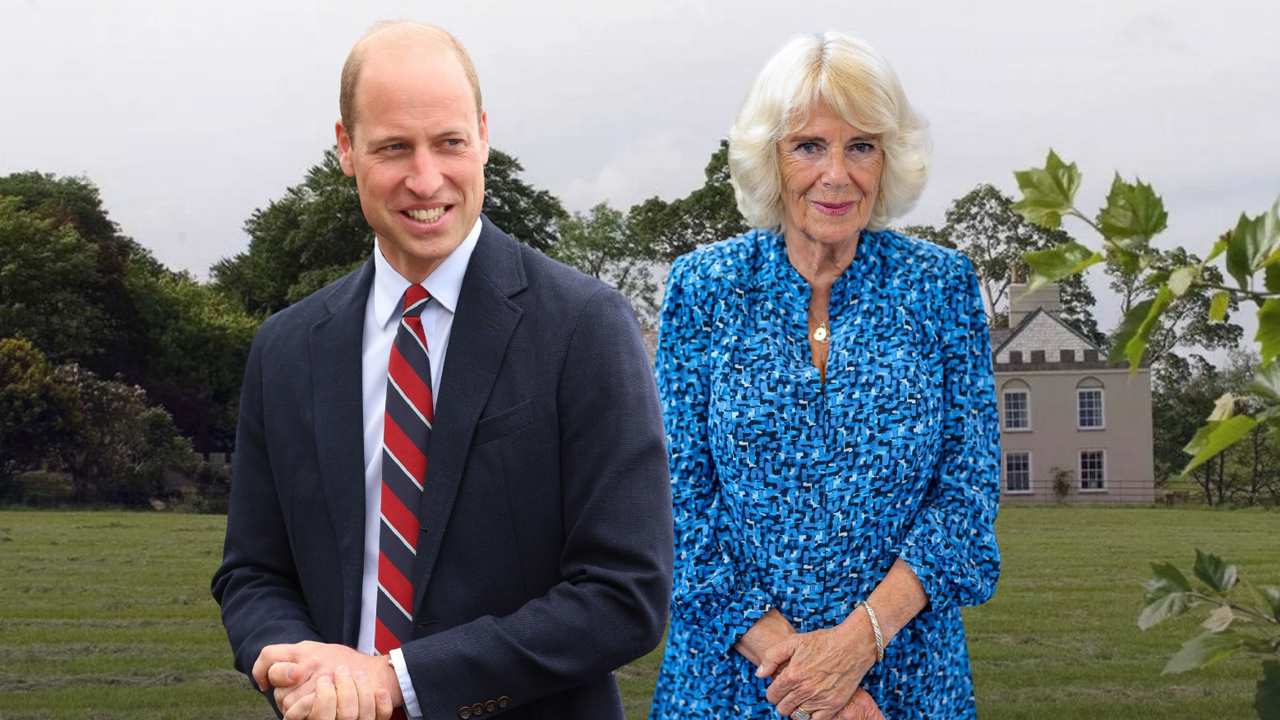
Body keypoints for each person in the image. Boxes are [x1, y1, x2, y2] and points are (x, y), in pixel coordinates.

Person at [211, 21, 673, 720]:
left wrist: (397, 679)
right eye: (394, 147)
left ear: (482, 134)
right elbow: (253, 570)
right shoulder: (286, 348)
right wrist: (289, 656)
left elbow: (625, 593)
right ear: (346, 148)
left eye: (449, 143)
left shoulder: (584, 325)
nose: (426, 179)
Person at [648, 32, 1000, 720]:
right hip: (727, 683)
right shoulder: (703, 287)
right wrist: (806, 678)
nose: (836, 174)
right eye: (809, 145)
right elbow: (672, 500)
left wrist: (857, 645)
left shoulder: (942, 287)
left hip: (907, 680)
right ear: (769, 159)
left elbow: (966, 499)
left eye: (861, 145)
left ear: (889, 157)